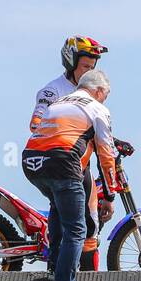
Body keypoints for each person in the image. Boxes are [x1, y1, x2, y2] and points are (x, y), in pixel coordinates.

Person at [21, 69, 117, 281]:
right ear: (98, 91)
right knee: (77, 228)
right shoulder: (98, 108)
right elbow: (107, 155)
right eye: (105, 95)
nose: (105, 100)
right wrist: (110, 193)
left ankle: (54, 266)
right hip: (61, 164)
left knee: (57, 205)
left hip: (31, 163)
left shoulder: (59, 102)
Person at [31, 35, 110, 268]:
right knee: (81, 222)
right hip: (58, 158)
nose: (88, 72)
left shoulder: (90, 89)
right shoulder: (52, 90)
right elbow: (36, 122)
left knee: (89, 222)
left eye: (92, 68)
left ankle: (80, 275)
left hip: (80, 161)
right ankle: (61, 273)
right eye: (85, 66)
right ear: (70, 62)